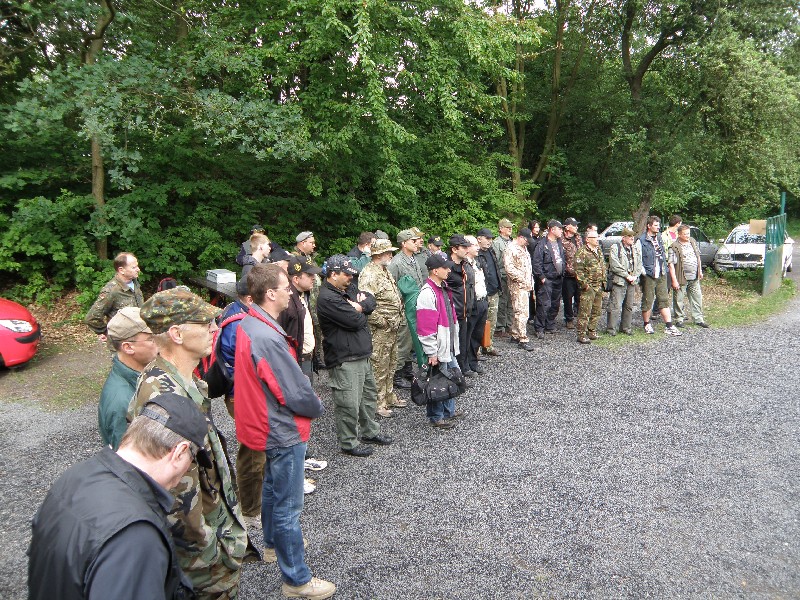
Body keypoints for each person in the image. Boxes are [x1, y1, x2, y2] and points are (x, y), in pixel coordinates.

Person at [128, 287, 257, 598]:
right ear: (176, 334)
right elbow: (174, 495)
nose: (214, 328)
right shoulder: (164, 399)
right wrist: (210, 551)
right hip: (202, 560)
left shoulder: (183, 381)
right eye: (205, 324)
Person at [29, 392, 210, 600]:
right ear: (179, 452)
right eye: (191, 461)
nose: (187, 471)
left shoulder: (74, 477)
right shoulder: (136, 537)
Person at [234, 263, 335, 600]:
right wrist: (316, 406)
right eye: (285, 287)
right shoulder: (266, 336)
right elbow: (291, 390)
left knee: (272, 489)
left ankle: (272, 545)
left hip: (265, 423)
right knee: (288, 507)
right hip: (279, 427)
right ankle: (297, 580)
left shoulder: (252, 323)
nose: (290, 292)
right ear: (270, 293)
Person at [317, 254, 392, 457]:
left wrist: (359, 307)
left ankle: (370, 432)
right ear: (333, 274)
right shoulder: (327, 298)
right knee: (348, 402)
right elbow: (355, 321)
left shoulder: (347, 289)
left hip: (361, 353)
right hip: (344, 358)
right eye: (347, 274)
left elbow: (371, 300)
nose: (351, 278)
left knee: (368, 397)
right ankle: (349, 442)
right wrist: (360, 310)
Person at [416, 253, 466, 429]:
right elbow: (425, 327)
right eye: (445, 268)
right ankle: (436, 416)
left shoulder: (443, 288)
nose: (449, 270)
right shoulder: (427, 293)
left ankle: (448, 411)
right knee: (437, 381)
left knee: (450, 377)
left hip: (447, 344)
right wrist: (431, 351)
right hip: (438, 347)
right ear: (435, 271)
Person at [98, 307, 158, 450]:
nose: (159, 342)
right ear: (128, 347)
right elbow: (127, 459)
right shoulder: (121, 403)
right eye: (151, 339)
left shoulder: (142, 376)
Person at [359, 238, 406, 418]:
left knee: (391, 363)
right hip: (380, 329)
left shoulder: (384, 271)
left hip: (392, 327)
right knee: (378, 366)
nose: (391, 255)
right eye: (388, 252)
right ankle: (377, 403)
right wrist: (382, 322)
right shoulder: (369, 274)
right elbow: (365, 305)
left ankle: (388, 396)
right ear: (379, 255)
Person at [387, 228, 427, 389]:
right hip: (404, 308)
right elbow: (392, 286)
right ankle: (396, 375)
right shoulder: (396, 262)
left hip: (415, 305)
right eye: (413, 241)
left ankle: (407, 370)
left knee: (412, 340)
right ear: (404, 243)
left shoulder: (413, 259)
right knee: (403, 342)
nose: (417, 243)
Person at [637, 216, 682, 336]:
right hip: (649, 275)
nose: (658, 227)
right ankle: (646, 324)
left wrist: (666, 268)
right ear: (649, 226)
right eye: (655, 225)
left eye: (658, 225)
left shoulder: (659, 238)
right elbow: (638, 258)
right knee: (648, 299)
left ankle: (669, 325)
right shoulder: (641, 240)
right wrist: (644, 272)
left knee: (663, 299)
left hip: (662, 272)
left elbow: (662, 254)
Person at [280, 255, 322, 378]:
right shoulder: (287, 302)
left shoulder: (302, 295)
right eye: (309, 275)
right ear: (296, 279)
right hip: (297, 361)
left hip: (305, 358)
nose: (314, 278)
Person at [85, 252, 144, 339]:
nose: (138, 269)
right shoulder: (111, 291)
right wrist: (108, 333)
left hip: (138, 338)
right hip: (121, 342)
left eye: (137, 266)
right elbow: (92, 318)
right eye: (133, 267)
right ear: (121, 270)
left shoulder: (135, 283)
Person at [446, 234, 476, 374]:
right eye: (463, 247)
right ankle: (453, 372)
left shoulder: (465, 264)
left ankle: (463, 368)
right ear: (454, 249)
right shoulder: (446, 267)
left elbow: (470, 286)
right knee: (452, 344)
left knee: (463, 341)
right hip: (452, 313)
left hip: (465, 311)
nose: (467, 250)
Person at [668, 224, 709, 328]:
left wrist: (700, 271)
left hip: (694, 277)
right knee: (679, 300)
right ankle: (679, 319)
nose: (687, 236)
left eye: (688, 233)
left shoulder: (692, 242)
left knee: (697, 298)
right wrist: (674, 280)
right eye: (685, 234)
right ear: (679, 234)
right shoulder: (674, 247)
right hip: (681, 277)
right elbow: (671, 265)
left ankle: (698, 319)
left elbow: (698, 257)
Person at [532, 220, 566, 338]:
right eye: (559, 228)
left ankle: (550, 325)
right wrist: (542, 278)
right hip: (547, 278)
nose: (561, 231)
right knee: (543, 304)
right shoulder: (542, 244)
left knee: (555, 303)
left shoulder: (559, 243)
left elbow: (562, 259)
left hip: (558, 278)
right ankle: (539, 328)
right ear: (552, 229)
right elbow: (536, 262)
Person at [605, 227, 643, 335]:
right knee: (615, 306)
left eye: (633, 236)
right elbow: (614, 265)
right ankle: (611, 329)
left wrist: (635, 276)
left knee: (629, 306)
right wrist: (626, 275)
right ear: (623, 237)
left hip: (632, 281)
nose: (632, 238)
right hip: (619, 281)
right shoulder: (615, 247)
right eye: (629, 236)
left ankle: (626, 328)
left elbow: (639, 263)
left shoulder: (635, 248)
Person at [504, 227, 535, 351]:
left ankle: (515, 334)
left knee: (519, 310)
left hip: (525, 285)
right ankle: (523, 338)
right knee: (522, 312)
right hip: (518, 286)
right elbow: (509, 268)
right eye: (527, 240)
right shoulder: (511, 248)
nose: (528, 243)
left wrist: (530, 282)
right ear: (521, 237)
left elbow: (527, 267)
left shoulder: (523, 248)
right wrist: (521, 279)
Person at [574, 229, 606, 344]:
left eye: (597, 237)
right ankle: (581, 334)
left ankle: (592, 331)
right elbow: (578, 271)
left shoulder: (598, 250)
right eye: (595, 237)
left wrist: (604, 281)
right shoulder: (582, 252)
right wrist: (585, 285)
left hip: (599, 285)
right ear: (587, 239)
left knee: (596, 310)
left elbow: (602, 266)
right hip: (589, 286)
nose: (597, 239)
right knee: (585, 311)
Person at [464, 235, 488, 373]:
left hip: (482, 301)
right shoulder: (463, 265)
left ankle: (473, 362)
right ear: (467, 247)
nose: (478, 247)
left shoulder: (477, 262)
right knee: (468, 335)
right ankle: (465, 364)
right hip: (472, 304)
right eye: (474, 245)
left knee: (477, 334)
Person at [476, 228, 502, 357]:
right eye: (487, 238)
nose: (489, 241)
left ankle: (488, 345)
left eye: (491, 238)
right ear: (479, 239)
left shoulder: (491, 251)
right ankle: (476, 349)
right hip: (482, 294)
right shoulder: (476, 254)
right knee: (479, 322)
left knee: (492, 321)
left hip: (494, 291)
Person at [492, 218, 514, 337]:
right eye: (507, 227)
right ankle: (499, 328)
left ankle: (509, 325)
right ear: (501, 229)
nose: (510, 229)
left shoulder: (513, 242)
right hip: (502, 276)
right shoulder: (496, 243)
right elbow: (495, 262)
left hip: (512, 277)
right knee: (502, 302)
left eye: (511, 227)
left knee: (511, 302)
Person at [561, 217, 583, 330]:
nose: (576, 227)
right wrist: (567, 269)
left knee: (580, 296)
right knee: (568, 298)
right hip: (567, 275)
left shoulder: (578, 237)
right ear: (567, 227)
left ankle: (579, 318)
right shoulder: (561, 239)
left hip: (579, 273)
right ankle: (569, 319)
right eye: (574, 225)